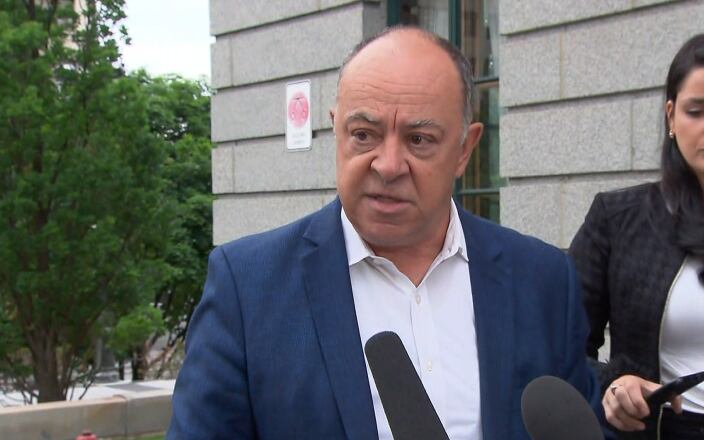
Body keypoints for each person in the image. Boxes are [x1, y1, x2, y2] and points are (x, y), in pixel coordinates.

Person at [168, 26, 605, 439]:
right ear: (336, 130)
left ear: (465, 149)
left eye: (419, 140)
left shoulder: (544, 280)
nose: (388, 164)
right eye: (364, 135)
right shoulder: (246, 289)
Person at [569, 32, 704, 439]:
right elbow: (562, 344)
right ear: (671, 117)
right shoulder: (619, 219)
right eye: (697, 110)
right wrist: (614, 383)